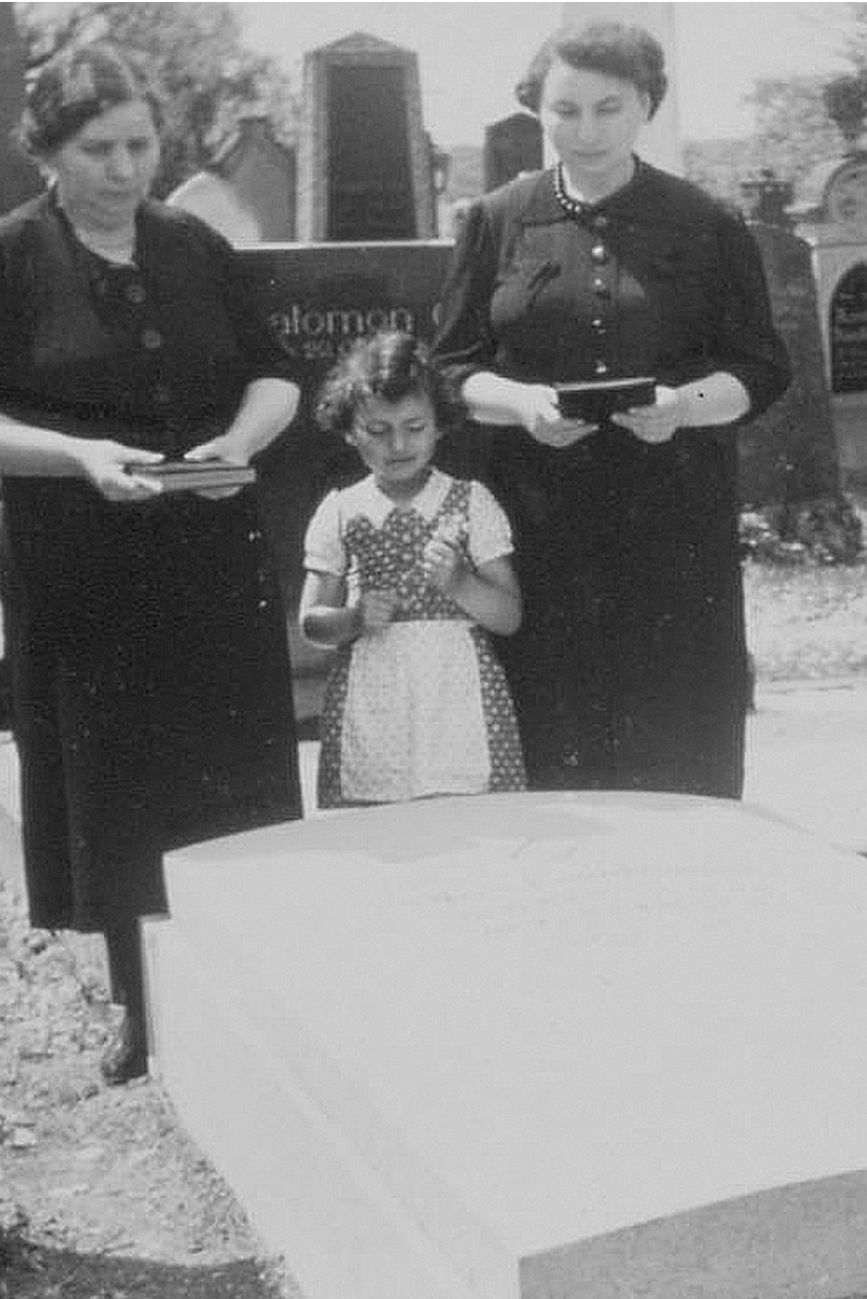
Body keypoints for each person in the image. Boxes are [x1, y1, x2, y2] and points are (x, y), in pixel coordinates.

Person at [0, 44, 302, 1083]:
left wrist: (239, 442)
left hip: (207, 546)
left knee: (226, 761)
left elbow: (276, 371)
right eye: (100, 149)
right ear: (48, 150)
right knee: (116, 776)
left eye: (141, 143)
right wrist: (78, 454)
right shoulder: (10, 255)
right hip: (82, 560)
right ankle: (141, 1002)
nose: (127, 167)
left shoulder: (191, 245)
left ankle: (243, 983)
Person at [432, 20, 790, 798]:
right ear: (538, 110)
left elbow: (761, 366)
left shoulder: (708, 224)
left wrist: (683, 405)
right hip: (536, 522)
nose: (584, 130)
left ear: (646, 107)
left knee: (675, 741)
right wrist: (521, 403)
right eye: (564, 110)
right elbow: (451, 367)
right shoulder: (495, 220)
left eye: (608, 108)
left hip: (672, 522)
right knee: (552, 740)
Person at [300, 332, 524, 809]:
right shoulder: (341, 510)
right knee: (382, 835)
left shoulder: (471, 501)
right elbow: (312, 623)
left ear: (440, 425)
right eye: (378, 431)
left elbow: (508, 615)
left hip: (455, 697)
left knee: (468, 822)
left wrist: (461, 582)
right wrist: (354, 618)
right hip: (374, 699)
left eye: (415, 427)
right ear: (348, 430)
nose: (398, 444)